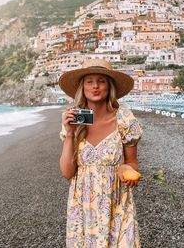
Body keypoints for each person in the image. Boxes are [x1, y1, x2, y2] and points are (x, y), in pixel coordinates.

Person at [59, 59, 143, 248]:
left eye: (101, 81)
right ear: (83, 86)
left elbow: (133, 163)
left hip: (117, 204)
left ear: (109, 86)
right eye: (89, 81)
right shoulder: (74, 121)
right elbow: (66, 173)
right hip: (82, 208)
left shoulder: (124, 119)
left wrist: (126, 168)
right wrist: (70, 133)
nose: (95, 86)